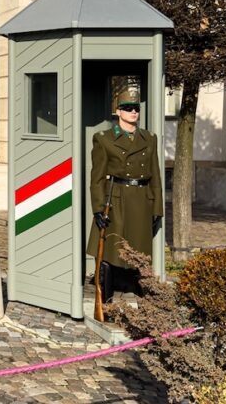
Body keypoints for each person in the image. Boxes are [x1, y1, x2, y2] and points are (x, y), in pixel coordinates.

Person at [87, 80, 163, 301]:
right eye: (128, 108)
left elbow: (155, 174)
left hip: (141, 199)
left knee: (139, 251)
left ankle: (142, 296)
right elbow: (98, 177)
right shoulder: (104, 139)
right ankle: (106, 298)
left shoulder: (149, 138)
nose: (133, 112)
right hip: (117, 199)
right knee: (111, 249)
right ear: (118, 111)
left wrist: (157, 206)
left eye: (136, 108)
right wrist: (98, 209)